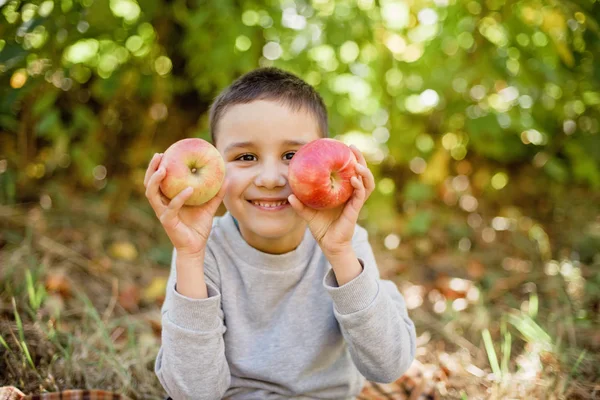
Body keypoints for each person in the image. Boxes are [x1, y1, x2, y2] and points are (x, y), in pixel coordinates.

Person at [144, 67, 416, 400]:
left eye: (291, 155)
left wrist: (341, 253)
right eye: (246, 157)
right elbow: (193, 392)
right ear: (214, 165)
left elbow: (388, 365)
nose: (271, 178)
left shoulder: (346, 244)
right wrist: (188, 257)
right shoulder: (203, 249)